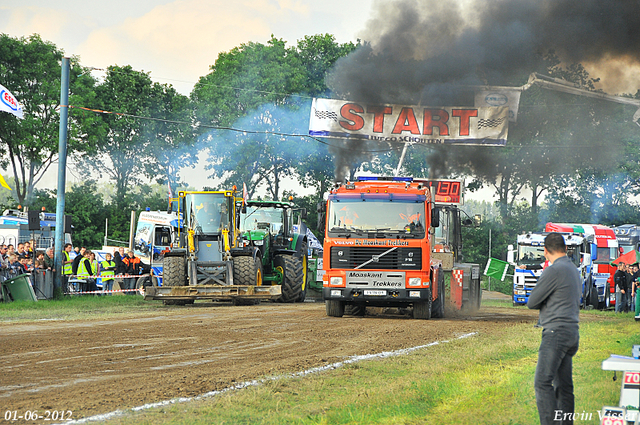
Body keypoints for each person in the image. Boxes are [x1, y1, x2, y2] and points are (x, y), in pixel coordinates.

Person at [527, 233, 581, 425]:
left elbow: (532, 302)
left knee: (542, 382)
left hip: (555, 333)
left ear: (546, 251)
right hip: (572, 332)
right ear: (565, 248)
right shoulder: (574, 270)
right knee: (564, 387)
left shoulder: (553, 270)